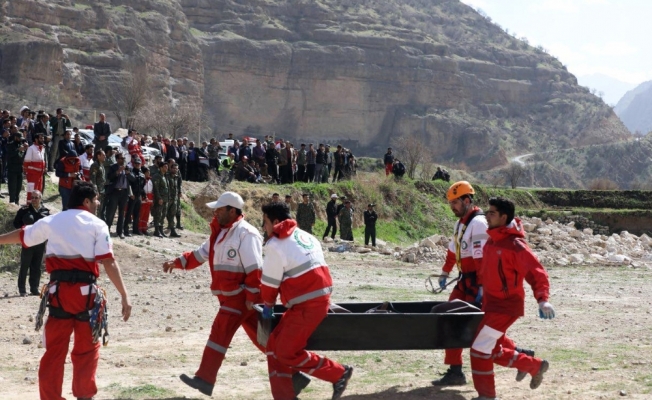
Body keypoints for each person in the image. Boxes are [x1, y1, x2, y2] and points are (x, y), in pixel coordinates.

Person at [0, 181, 132, 400]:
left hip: (58, 294)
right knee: (87, 351)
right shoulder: (97, 225)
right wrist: (125, 295)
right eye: (96, 199)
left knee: (54, 352)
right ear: (87, 201)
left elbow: (23, 236)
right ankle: (84, 396)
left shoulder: (52, 221)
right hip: (86, 296)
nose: (98, 202)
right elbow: (108, 262)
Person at [161, 192, 269, 396]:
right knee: (266, 340)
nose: (215, 212)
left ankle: (204, 379)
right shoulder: (219, 233)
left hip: (240, 297)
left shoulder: (247, 234)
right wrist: (176, 262)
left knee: (218, 334)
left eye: (220, 208)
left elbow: (255, 270)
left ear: (232, 210)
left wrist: (251, 297)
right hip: (236, 298)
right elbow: (199, 255)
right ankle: (296, 373)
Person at [260, 201, 353, 400]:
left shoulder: (275, 245)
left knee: (285, 352)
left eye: (265, 222)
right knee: (273, 347)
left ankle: (338, 373)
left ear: (275, 222)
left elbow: (269, 283)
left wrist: (267, 305)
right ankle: (285, 396)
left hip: (307, 305)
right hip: (313, 301)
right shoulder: (305, 236)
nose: (263, 227)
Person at [469, 197, 554, 400]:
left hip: (505, 307)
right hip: (491, 304)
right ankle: (533, 365)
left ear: (503, 217)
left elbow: (536, 272)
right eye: (487, 212)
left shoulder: (515, 244)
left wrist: (543, 299)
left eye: (491, 213)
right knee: (492, 348)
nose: (486, 216)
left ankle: (487, 396)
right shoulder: (492, 239)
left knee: (481, 350)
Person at [432, 181, 490, 386]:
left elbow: (481, 258)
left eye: (455, 203)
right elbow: (452, 251)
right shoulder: (460, 224)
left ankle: (522, 357)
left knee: (483, 331)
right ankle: (455, 370)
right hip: (464, 282)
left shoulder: (478, 224)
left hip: (476, 284)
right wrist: (445, 272)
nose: (452, 207)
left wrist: (482, 287)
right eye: (450, 204)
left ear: (467, 200)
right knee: (449, 320)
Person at [13, 190, 49, 296]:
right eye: (32, 197)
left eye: (36, 198)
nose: (33, 200)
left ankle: (34, 288)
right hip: (28, 242)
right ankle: (22, 289)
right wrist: (23, 232)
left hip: (40, 243)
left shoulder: (46, 211)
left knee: (36, 266)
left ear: (40, 198)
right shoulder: (24, 210)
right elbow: (16, 223)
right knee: (25, 265)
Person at [105, 153, 130, 238]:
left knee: (122, 213)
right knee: (111, 212)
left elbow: (132, 179)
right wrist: (118, 171)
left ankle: (120, 231)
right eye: (121, 158)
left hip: (124, 192)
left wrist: (128, 174)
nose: (123, 160)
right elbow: (109, 177)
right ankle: (107, 230)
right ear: (117, 159)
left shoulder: (127, 168)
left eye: (123, 158)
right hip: (115, 192)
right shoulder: (113, 167)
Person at [23, 132, 47, 204]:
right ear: (36, 139)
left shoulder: (42, 148)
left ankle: (37, 205)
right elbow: (26, 161)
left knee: (38, 191)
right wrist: (26, 171)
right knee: (31, 191)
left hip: (40, 174)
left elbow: (42, 160)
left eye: (43, 138)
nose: (42, 140)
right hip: (32, 174)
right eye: (41, 138)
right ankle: (29, 206)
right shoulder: (31, 148)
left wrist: (44, 168)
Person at [124, 157, 145, 236]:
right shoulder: (131, 172)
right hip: (132, 196)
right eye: (135, 163)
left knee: (137, 214)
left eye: (138, 163)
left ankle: (135, 229)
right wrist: (131, 194)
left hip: (138, 196)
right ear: (133, 164)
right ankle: (125, 229)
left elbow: (142, 186)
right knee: (129, 213)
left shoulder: (142, 174)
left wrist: (143, 195)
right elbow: (129, 184)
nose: (137, 165)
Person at [7, 132, 27, 205]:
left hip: (19, 168)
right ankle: (12, 201)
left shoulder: (21, 144)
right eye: (19, 138)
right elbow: (9, 155)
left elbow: (23, 156)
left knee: (18, 186)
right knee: (12, 186)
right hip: (12, 168)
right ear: (15, 137)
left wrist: (25, 148)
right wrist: (18, 149)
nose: (20, 140)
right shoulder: (10, 145)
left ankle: (17, 201)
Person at [152, 162, 170, 238]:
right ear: (161, 167)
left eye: (167, 167)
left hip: (165, 199)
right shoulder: (157, 176)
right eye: (165, 167)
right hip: (160, 199)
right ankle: (156, 231)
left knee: (163, 215)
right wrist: (159, 198)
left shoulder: (165, 176)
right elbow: (156, 188)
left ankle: (161, 230)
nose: (167, 168)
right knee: (158, 215)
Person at [89, 149, 107, 220]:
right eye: (103, 155)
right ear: (98, 156)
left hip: (102, 190)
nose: (105, 156)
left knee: (101, 209)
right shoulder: (95, 165)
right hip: (97, 191)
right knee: (95, 209)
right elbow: (93, 179)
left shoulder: (102, 165)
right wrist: (96, 191)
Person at [166, 162, 182, 237]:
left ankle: (172, 231)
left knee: (172, 214)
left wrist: (179, 192)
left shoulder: (176, 177)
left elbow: (178, 186)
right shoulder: (167, 176)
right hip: (167, 199)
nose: (175, 170)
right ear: (171, 168)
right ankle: (158, 230)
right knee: (163, 214)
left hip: (174, 199)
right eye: (174, 168)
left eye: (176, 168)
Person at [138, 166, 154, 235]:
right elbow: (141, 189)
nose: (148, 173)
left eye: (149, 172)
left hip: (149, 199)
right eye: (147, 172)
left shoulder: (150, 180)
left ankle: (144, 228)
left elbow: (152, 190)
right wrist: (144, 197)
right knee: (141, 214)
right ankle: (139, 228)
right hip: (143, 199)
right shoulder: (142, 180)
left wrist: (152, 200)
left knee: (147, 214)